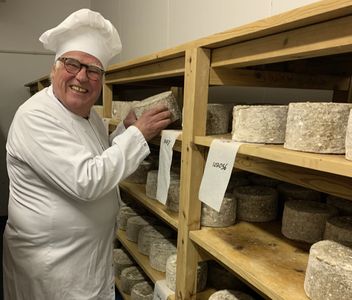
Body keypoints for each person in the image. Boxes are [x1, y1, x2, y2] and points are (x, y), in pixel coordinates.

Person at [3, 8, 171, 300]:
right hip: (52, 268)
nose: (82, 76)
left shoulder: (89, 115)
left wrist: (123, 131)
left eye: (94, 70)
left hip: (85, 259)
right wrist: (139, 135)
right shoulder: (35, 116)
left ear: (102, 79)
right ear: (55, 68)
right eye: (72, 64)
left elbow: (97, 156)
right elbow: (86, 179)